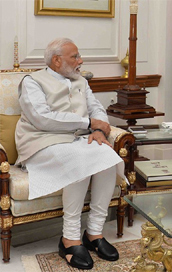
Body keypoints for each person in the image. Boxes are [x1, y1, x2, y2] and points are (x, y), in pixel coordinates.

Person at [15, 38, 125, 270]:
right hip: (40, 143)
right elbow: (41, 117)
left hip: (77, 140)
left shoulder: (81, 81)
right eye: (74, 56)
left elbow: (97, 108)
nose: (80, 60)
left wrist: (98, 129)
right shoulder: (32, 81)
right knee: (82, 158)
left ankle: (94, 233)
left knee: (105, 154)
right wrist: (87, 122)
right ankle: (70, 238)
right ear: (56, 60)